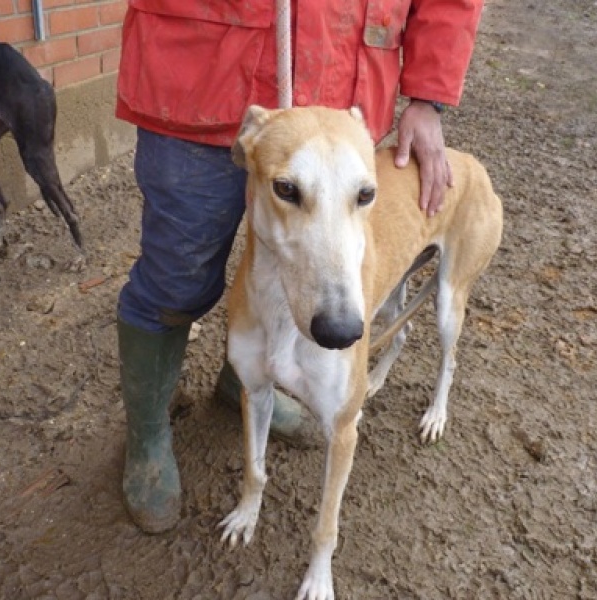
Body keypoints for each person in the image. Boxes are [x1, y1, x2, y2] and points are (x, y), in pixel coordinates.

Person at [114, 0, 484, 533]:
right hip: (201, 70)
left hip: (345, 74)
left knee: (297, 264)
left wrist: (428, 95)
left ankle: (243, 378)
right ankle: (148, 432)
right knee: (177, 282)